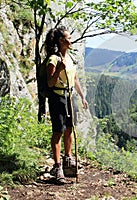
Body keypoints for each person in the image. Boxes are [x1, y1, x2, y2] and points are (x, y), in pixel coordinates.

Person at [44, 26, 88, 183]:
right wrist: (58, 70)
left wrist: (82, 97)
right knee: (58, 131)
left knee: (69, 128)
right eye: (68, 38)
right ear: (61, 40)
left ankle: (68, 158)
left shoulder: (69, 58)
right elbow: (50, 83)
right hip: (57, 98)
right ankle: (57, 167)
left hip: (69, 97)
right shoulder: (54, 60)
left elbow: (74, 79)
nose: (71, 40)